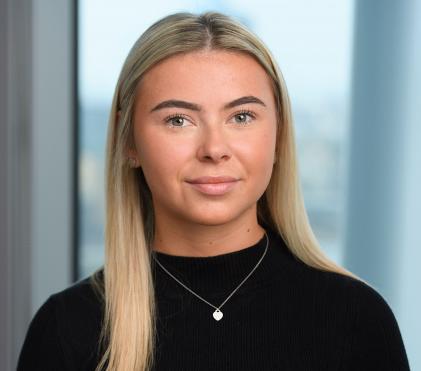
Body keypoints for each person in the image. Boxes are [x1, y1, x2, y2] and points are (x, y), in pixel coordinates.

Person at [17, 11, 410, 371]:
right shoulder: (66, 329)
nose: (214, 149)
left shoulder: (357, 319)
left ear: (279, 136)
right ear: (128, 142)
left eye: (241, 116)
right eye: (178, 120)